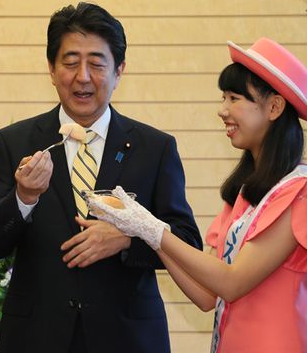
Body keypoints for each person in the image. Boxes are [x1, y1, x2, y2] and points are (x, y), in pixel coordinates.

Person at [0, 2, 202, 353]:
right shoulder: (15, 141)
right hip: (37, 337)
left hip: (128, 338)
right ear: (51, 69)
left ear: (119, 70)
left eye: (96, 63)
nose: (83, 76)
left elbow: (187, 243)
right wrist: (24, 198)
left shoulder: (154, 148)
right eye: (70, 62)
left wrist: (128, 239)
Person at [87, 38, 307, 352]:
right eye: (223, 98)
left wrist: (151, 227)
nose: (223, 111)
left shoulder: (298, 191)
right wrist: (147, 232)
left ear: (274, 107)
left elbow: (232, 283)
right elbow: (207, 295)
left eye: (234, 98)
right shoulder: (246, 194)